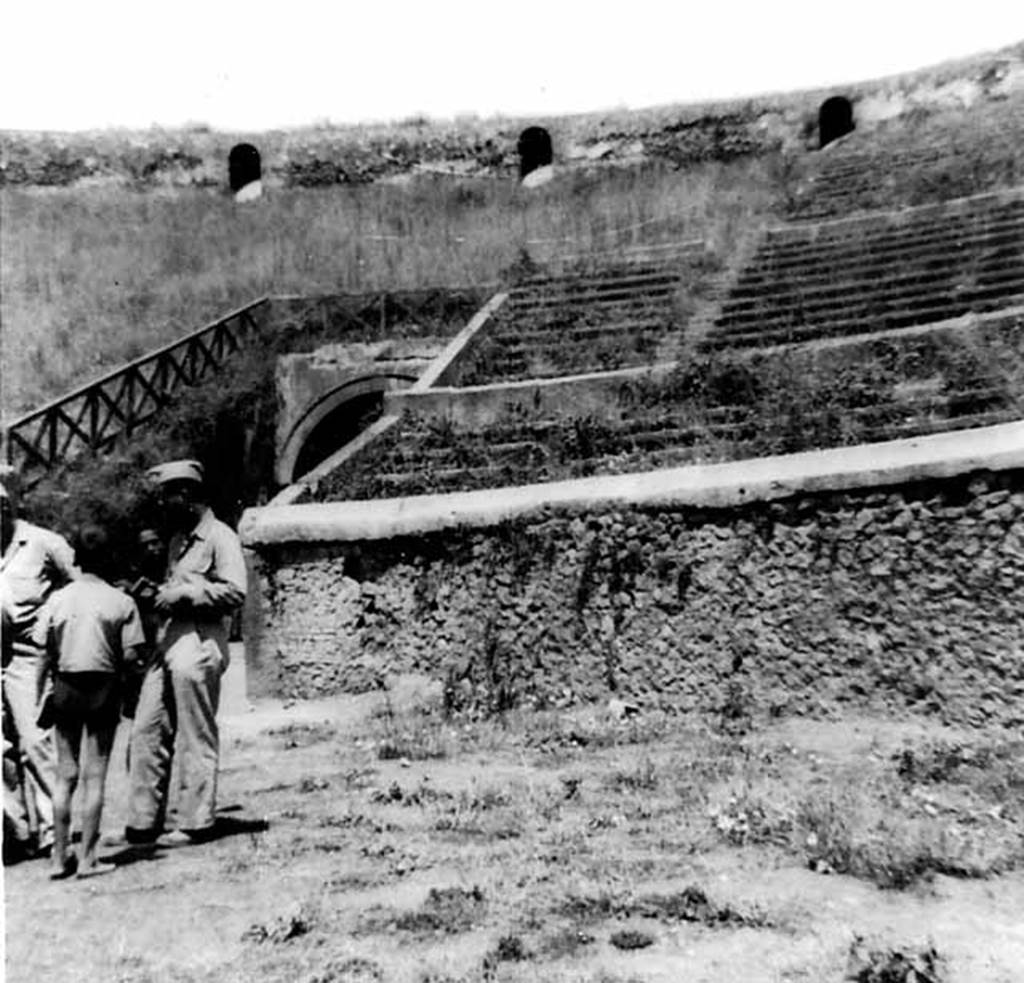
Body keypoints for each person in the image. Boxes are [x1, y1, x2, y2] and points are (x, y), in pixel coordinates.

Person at [122, 460, 246, 847]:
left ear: (187, 494)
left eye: (168, 497)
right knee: (147, 730)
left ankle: (196, 822)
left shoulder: (220, 536)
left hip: (199, 639)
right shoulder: (178, 540)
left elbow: (236, 591)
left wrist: (184, 594)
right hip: (168, 639)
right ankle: (143, 821)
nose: (163, 504)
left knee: (195, 733)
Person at [33, 526, 145, 878]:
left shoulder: (58, 599)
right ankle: (88, 859)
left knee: (65, 775)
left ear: (77, 558)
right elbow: (131, 657)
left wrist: (39, 694)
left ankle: (58, 858)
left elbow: (43, 652)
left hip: (66, 686)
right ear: (109, 558)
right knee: (95, 777)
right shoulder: (121, 601)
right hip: (103, 689)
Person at [0, 480, 77, 858]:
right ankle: (14, 834)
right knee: (0, 750)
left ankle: (54, 831)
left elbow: (79, 586)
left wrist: (53, 624)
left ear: (7, 509)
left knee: (36, 743)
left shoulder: (43, 543)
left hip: (28, 654)